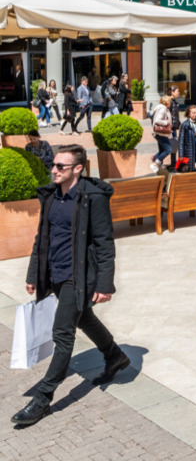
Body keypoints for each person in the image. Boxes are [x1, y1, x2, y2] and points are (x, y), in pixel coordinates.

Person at [11, 144, 130, 427]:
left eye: (60, 166)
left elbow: (104, 243)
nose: (53, 170)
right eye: (53, 165)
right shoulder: (51, 195)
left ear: (78, 168)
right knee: (83, 317)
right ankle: (115, 356)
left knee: (62, 334)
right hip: (54, 272)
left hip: (79, 277)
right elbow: (42, 237)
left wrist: (104, 284)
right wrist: (33, 274)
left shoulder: (92, 198)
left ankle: (42, 399)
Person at [149, 95, 173, 172]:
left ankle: (155, 158)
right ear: (167, 102)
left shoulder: (160, 107)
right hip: (160, 133)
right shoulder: (163, 109)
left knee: (162, 150)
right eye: (170, 101)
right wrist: (166, 122)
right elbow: (157, 121)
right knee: (168, 150)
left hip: (157, 132)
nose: (171, 103)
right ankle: (155, 164)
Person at [167, 85, 181, 169]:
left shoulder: (174, 101)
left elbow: (175, 115)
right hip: (171, 127)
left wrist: (178, 124)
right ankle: (158, 159)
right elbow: (169, 115)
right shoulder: (170, 102)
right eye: (177, 91)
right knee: (172, 144)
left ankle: (173, 163)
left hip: (174, 126)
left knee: (174, 144)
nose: (178, 93)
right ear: (172, 92)